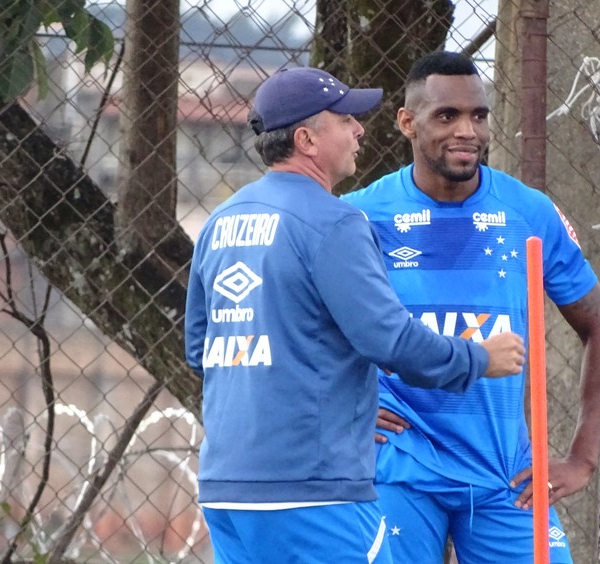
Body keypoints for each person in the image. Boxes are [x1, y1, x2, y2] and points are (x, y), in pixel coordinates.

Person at [184, 66, 527, 564]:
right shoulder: (333, 221)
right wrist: (478, 358)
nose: (359, 129)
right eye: (344, 119)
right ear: (307, 139)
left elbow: (200, 350)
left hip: (226, 487)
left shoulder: (222, 221)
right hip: (314, 490)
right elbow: (389, 340)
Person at [342, 52, 600, 563]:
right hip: (399, 468)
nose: (467, 130)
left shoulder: (528, 213)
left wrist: (583, 459)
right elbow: (305, 331)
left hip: (504, 476)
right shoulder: (362, 216)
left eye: (479, 115)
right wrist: (342, 410)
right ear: (408, 122)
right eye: (446, 116)